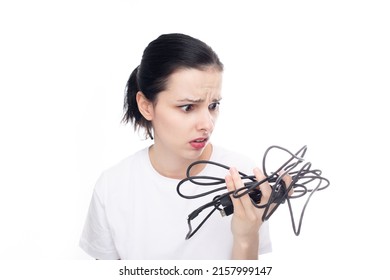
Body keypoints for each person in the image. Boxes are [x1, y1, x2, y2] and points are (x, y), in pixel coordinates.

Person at [79, 33, 278, 260]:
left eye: (213, 105)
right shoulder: (113, 187)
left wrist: (246, 237)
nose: (207, 124)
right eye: (187, 107)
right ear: (146, 106)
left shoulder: (243, 177)